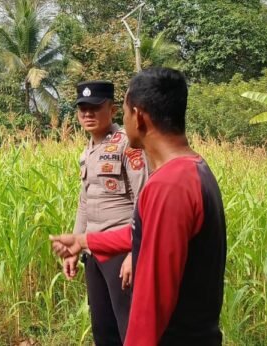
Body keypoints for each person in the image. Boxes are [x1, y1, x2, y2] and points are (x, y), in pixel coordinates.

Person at [50, 68, 227, 345]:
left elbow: (152, 303)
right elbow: (144, 233)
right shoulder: (192, 170)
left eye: (124, 112)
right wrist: (83, 241)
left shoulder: (169, 186)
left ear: (139, 116)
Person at [68, 80, 148, 345]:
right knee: (103, 329)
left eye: (95, 108)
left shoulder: (127, 145)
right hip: (93, 252)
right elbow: (84, 202)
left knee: (129, 328)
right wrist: (74, 246)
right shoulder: (87, 152)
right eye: (83, 109)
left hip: (120, 253)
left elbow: (143, 200)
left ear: (112, 110)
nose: (88, 114)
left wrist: (134, 253)